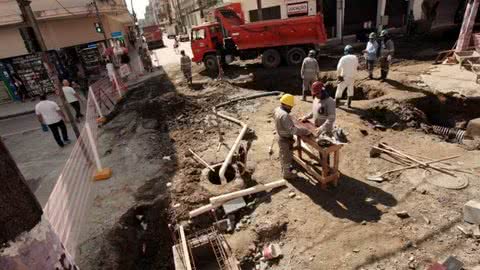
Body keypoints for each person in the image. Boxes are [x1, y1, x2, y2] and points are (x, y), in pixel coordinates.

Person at [274, 94, 311, 180]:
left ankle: (285, 169)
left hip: (280, 135)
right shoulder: (284, 115)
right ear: (286, 104)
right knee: (286, 156)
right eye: (290, 106)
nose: (291, 107)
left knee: (283, 154)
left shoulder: (277, 109)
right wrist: (305, 131)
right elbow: (293, 131)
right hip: (285, 139)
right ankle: (287, 174)